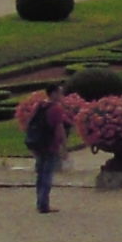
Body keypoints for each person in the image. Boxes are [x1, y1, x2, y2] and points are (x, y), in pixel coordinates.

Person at [22, 85, 71, 213]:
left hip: (37, 143)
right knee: (47, 174)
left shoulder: (40, 105)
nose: (62, 96)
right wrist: (64, 147)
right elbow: (59, 129)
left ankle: (40, 202)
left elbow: (29, 123)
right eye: (60, 93)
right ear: (53, 93)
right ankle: (44, 204)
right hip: (50, 144)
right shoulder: (56, 109)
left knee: (40, 173)